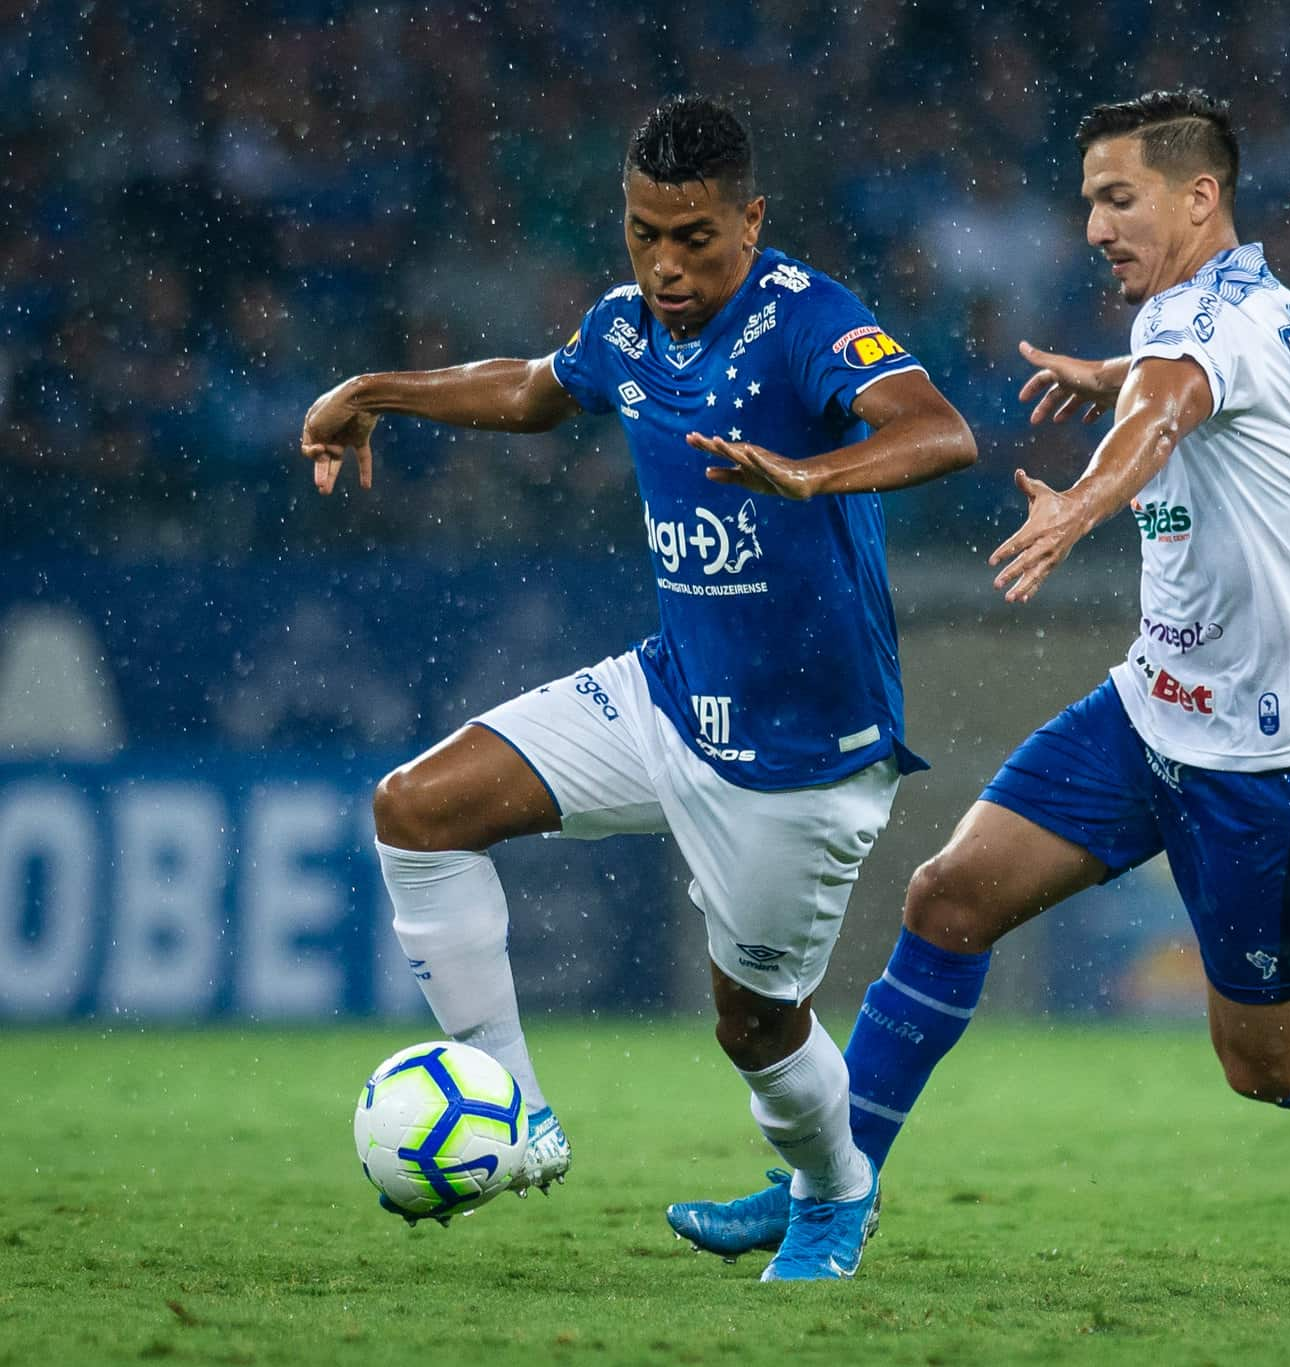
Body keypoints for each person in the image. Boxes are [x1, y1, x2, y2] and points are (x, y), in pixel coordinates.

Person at [668, 88, 1290, 1275]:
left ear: (1198, 196)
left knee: (1268, 1061)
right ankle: (832, 1191)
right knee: (948, 897)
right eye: (1086, 203)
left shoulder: (1200, 332)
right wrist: (1117, 368)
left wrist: (1077, 500)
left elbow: (1169, 408)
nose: (1092, 226)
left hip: (1278, 756)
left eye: (1118, 199)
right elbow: (1179, 377)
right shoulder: (1245, 307)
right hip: (1154, 706)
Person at [297, 95, 976, 1278]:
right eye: (643, 233)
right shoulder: (624, 328)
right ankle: (515, 1112)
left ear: (750, 219)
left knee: (753, 1026)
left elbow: (939, 429)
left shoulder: (804, 318)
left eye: (694, 238)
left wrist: (813, 477)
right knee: (415, 809)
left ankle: (831, 1193)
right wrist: (374, 390)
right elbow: (529, 389)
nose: (665, 265)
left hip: (801, 752)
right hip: (667, 693)